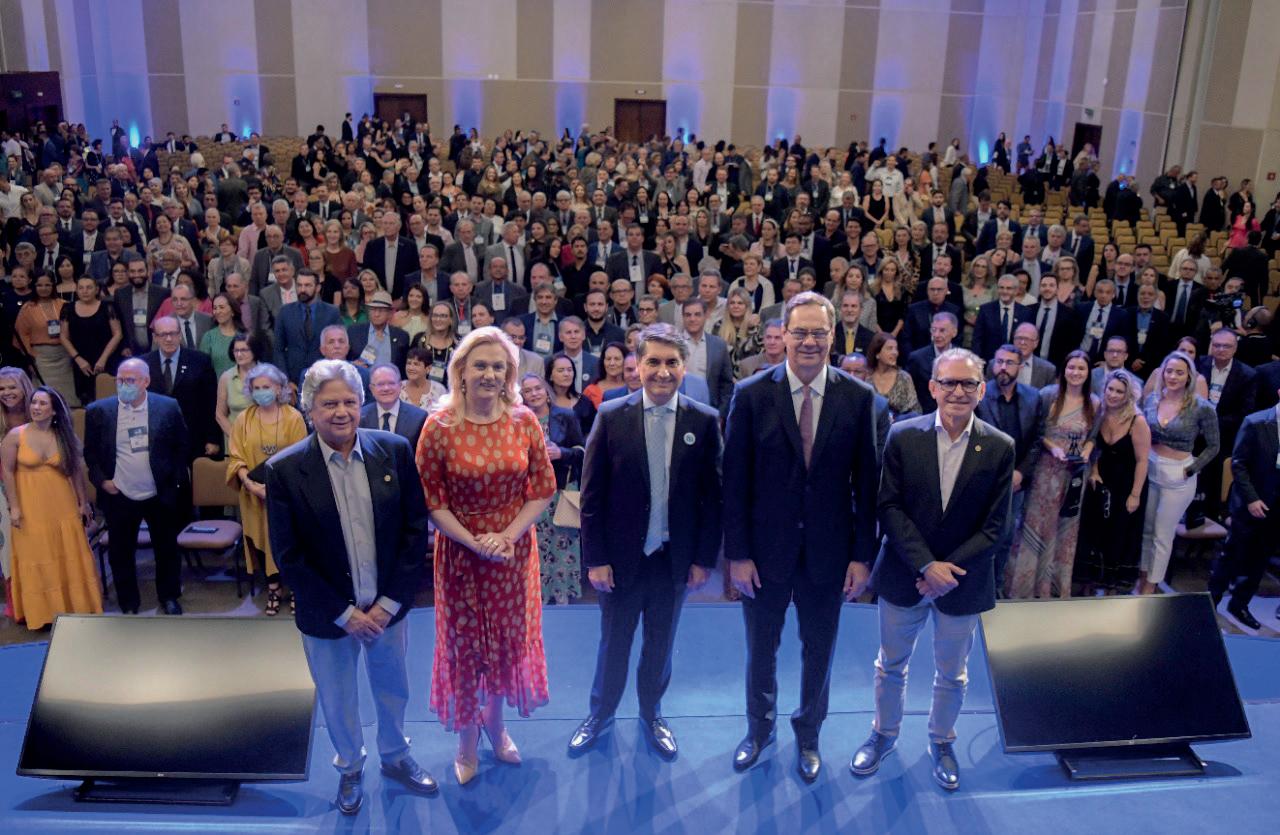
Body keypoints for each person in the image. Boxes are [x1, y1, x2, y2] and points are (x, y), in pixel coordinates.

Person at [266, 359, 436, 814]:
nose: (341, 412)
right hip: (329, 615)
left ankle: (396, 755)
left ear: (361, 404)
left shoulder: (394, 451)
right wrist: (345, 614)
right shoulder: (284, 470)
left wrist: (388, 603)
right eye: (329, 404)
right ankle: (350, 768)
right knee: (338, 699)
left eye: (348, 401)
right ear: (310, 409)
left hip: (386, 609)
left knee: (393, 687)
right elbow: (289, 556)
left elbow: (413, 531)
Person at [724, 291, 879, 782]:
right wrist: (738, 554)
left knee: (819, 650)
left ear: (833, 336)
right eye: (800, 332)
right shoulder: (751, 394)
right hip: (763, 554)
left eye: (818, 332)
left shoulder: (859, 399)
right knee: (761, 649)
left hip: (829, 554)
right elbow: (734, 482)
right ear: (783, 336)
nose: (809, 341)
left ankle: (809, 734)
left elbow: (868, 486)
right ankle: (759, 730)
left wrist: (862, 558)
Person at [853, 348, 1014, 791]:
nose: (958, 391)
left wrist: (946, 572)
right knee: (890, 665)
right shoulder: (903, 436)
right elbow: (889, 506)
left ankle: (942, 742)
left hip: (964, 582)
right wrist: (926, 565)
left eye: (967, 383)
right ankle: (883, 734)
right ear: (932, 387)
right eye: (949, 382)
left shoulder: (1000, 447)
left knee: (952, 673)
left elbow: (997, 527)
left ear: (981, 390)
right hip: (905, 573)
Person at [571, 323, 723, 758]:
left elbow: (713, 498)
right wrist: (595, 559)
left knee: (660, 644)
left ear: (684, 366)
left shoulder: (704, 420)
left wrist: (703, 560)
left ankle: (652, 713)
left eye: (671, 362)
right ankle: (600, 714)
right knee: (614, 643)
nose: (662, 371)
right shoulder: (611, 415)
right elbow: (591, 496)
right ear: (637, 366)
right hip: (620, 561)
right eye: (653, 361)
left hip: (674, 560)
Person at [416, 327, 556, 785]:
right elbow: (432, 501)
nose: (490, 374)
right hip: (461, 557)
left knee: (506, 647)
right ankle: (467, 741)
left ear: (510, 373)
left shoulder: (524, 420)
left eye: (499, 366)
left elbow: (543, 488)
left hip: (513, 556)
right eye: (481, 365)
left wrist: (508, 536)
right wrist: (474, 541)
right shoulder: (438, 427)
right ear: (461, 370)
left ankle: (496, 727)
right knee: (467, 649)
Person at [83, 358, 190, 615]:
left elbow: (182, 446)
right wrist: (102, 481)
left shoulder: (167, 407)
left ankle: (169, 596)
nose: (124, 385)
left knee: (166, 548)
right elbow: (91, 454)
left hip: (159, 492)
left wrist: (174, 482)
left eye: (130, 380)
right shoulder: (99, 411)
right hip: (119, 493)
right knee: (121, 552)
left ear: (146, 381)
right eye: (120, 380)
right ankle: (129, 602)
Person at [1, 386, 101, 629]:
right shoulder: (15, 436)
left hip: (62, 504)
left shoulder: (64, 436)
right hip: (30, 507)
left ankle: (75, 607)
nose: (36, 407)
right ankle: (43, 614)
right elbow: (8, 472)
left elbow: (75, 471)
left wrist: (83, 503)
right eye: (34, 402)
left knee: (68, 553)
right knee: (37, 555)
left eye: (42, 403)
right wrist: (14, 507)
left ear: (54, 410)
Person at [1008, 350, 1097, 599]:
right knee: (1036, 525)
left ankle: (1053, 590)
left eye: (1081, 368)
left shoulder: (1094, 402)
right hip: (1046, 472)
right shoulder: (1048, 395)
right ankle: (1024, 589)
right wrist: (1053, 447)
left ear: (1088, 373)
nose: (1075, 372)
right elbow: (1037, 432)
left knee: (1064, 529)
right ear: (1063, 370)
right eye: (1071, 367)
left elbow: (1093, 437)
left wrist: (1087, 451)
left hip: (1074, 475)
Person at [227, 363, 306, 616]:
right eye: (257, 388)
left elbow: (300, 458)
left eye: (267, 387)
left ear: (279, 388)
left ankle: (295, 589)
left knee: (290, 541)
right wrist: (251, 484)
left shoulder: (293, 417)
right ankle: (273, 588)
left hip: (287, 496)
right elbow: (236, 457)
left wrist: (275, 491)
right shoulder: (244, 419)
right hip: (253, 495)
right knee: (262, 539)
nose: (261, 392)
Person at [1139, 351, 1219, 594]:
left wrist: (1191, 469)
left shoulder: (1201, 407)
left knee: (1162, 536)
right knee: (1146, 531)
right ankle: (1141, 579)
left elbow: (1214, 446)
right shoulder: (1152, 399)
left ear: (1189, 377)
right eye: (1169, 371)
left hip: (1178, 475)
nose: (1173, 376)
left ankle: (1150, 587)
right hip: (1149, 468)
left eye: (1179, 373)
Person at [975, 345, 1043, 592]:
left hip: (1015, 483)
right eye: (999, 361)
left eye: (1009, 363)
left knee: (1005, 537)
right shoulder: (980, 394)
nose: (1003, 367)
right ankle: (974, 586)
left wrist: (1021, 472)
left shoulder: (1033, 397)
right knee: (977, 536)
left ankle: (996, 587)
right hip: (982, 480)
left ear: (1020, 367)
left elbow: (1037, 441)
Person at [1077, 370, 1150, 595]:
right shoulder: (1099, 412)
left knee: (1120, 535)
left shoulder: (1137, 421)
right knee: (1096, 532)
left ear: (1128, 395)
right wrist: (1094, 471)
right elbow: (1095, 447)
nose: (1113, 395)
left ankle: (1114, 587)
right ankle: (1092, 582)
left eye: (1119, 391)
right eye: (1110, 389)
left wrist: (1135, 495)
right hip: (1101, 481)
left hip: (1127, 484)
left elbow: (1142, 461)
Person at [1209, 397, 1280, 630]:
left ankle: (1239, 604)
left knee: (1260, 558)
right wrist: (1252, 499)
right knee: (1231, 555)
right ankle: (1210, 603)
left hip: (1276, 507)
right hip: (1250, 502)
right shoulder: (1255, 422)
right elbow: (1238, 464)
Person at [519, 373, 585, 606]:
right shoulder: (519, 419)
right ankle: (538, 597)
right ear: (522, 396)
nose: (534, 394)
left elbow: (582, 451)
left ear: (546, 391)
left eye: (537, 388)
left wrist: (562, 453)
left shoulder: (565, 416)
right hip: (530, 495)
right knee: (535, 547)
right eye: (528, 391)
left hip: (561, 491)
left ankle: (562, 595)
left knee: (563, 545)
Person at [143, 316, 220, 461]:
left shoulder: (200, 361)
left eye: (173, 333)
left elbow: (211, 402)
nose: (168, 339)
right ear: (155, 338)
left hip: (193, 437)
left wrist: (213, 438)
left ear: (180, 335)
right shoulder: (143, 363)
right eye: (163, 334)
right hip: (155, 438)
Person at [16, 272, 79, 407]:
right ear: (34, 286)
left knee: (67, 398)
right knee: (44, 397)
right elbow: (21, 335)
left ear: (53, 286)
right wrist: (30, 358)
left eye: (47, 285)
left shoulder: (64, 304)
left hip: (64, 356)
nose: (43, 288)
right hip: (40, 358)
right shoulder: (28, 308)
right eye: (39, 285)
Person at [59, 274, 122, 406]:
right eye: (81, 288)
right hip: (81, 362)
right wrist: (78, 359)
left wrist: (103, 359)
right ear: (76, 290)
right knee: (85, 400)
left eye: (89, 287)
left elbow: (117, 334)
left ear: (96, 289)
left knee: (107, 399)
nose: (85, 291)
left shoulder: (108, 307)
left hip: (105, 359)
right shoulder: (67, 308)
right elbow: (63, 337)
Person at [0, 368, 33, 620]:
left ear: (24, 387)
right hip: (4, 495)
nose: (6, 393)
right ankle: (21, 606)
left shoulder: (40, 411)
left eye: (12, 387)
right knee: (10, 549)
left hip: (38, 489)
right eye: (1, 389)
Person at [359, 363, 428, 446]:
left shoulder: (419, 418)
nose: (386, 388)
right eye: (380, 384)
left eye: (391, 383)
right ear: (372, 389)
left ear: (400, 386)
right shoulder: (360, 416)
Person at [866, 331, 920, 418]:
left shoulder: (904, 377)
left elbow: (915, 411)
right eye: (889, 348)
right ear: (877, 354)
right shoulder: (867, 377)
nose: (895, 352)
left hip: (900, 424)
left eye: (896, 349)